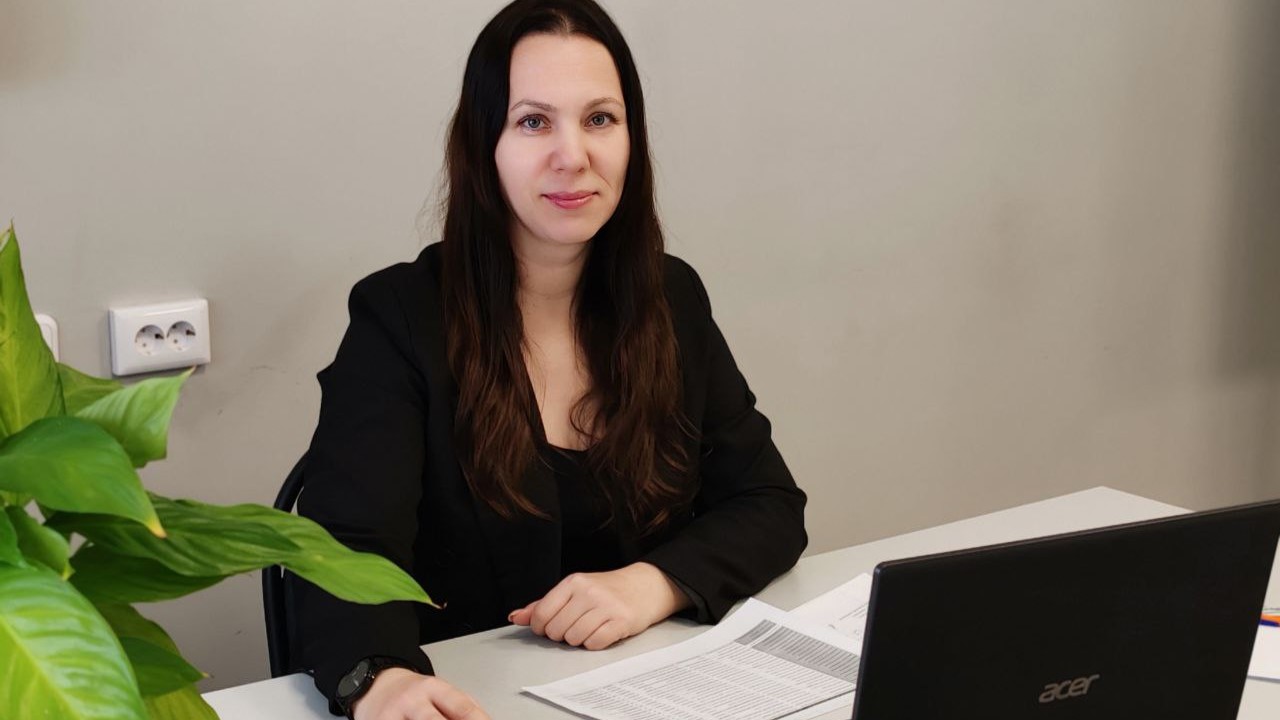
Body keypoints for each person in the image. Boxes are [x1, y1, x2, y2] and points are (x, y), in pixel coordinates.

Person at [286, 1, 807, 717]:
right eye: (534, 122)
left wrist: (653, 583)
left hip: (649, 690)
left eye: (600, 119)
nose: (573, 155)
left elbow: (768, 503)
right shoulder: (400, 317)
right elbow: (343, 550)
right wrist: (381, 678)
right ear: (484, 146)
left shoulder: (670, 296)